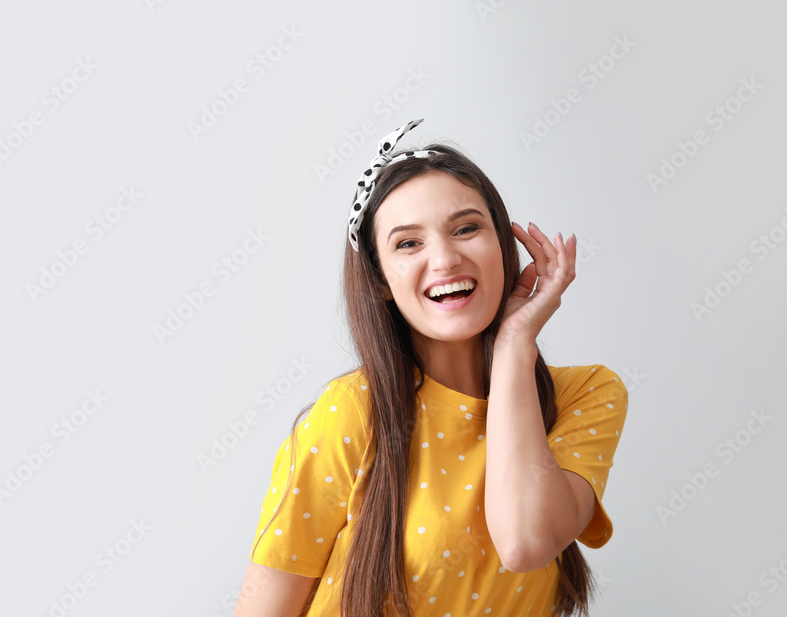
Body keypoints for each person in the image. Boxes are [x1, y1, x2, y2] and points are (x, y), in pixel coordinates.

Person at [233, 119, 628, 617]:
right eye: (408, 243)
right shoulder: (352, 412)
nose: (444, 258)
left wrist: (513, 349)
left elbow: (526, 541)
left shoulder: (586, 393)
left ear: (505, 250)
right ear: (379, 280)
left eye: (466, 229)